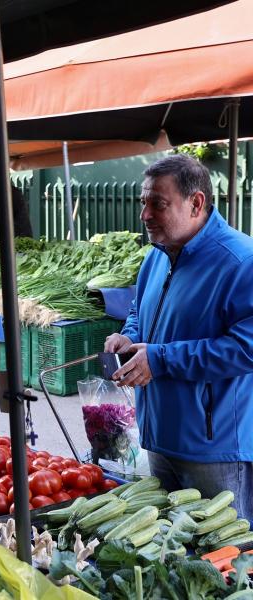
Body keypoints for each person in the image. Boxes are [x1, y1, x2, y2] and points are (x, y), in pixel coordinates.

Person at [104, 154, 253, 522]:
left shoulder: (241, 261)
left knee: (221, 563)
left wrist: (161, 358)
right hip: (158, 437)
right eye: (144, 202)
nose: (145, 214)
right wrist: (129, 337)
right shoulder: (156, 256)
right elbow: (140, 311)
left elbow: (245, 348)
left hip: (212, 450)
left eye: (159, 203)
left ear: (196, 203)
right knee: (169, 557)